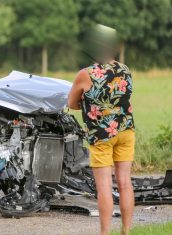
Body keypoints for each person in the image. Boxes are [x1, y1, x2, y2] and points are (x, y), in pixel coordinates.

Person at [68, 24, 135, 235]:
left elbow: (72, 103)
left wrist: (89, 106)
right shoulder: (125, 70)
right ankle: (126, 231)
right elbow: (124, 97)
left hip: (101, 135)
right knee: (125, 183)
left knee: (104, 186)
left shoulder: (85, 74)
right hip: (126, 130)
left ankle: (105, 233)